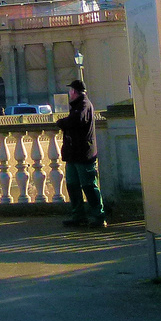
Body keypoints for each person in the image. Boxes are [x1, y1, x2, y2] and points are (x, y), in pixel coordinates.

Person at [57, 79, 107, 228]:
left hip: (83, 153)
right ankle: (78, 215)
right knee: (72, 185)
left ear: (74, 91)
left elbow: (75, 121)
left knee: (89, 186)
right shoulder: (79, 105)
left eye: (70, 91)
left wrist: (62, 123)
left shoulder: (84, 105)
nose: (69, 93)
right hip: (74, 153)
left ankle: (99, 216)